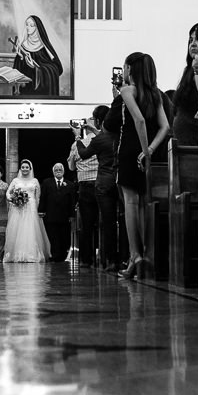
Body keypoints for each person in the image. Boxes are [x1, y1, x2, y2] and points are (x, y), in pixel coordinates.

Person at [115, 53, 171, 280]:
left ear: (130, 68)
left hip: (130, 150)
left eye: (124, 66)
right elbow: (165, 126)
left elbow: (137, 120)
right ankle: (142, 258)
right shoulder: (155, 93)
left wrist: (142, 147)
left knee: (130, 203)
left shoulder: (127, 91)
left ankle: (135, 255)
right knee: (141, 205)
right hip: (143, 152)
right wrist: (149, 151)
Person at [76, 105, 119, 271]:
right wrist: (95, 129)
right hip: (118, 181)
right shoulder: (118, 136)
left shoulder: (99, 140)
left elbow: (84, 154)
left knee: (107, 223)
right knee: (119, 222)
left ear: (100, 120)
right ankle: (120, 258)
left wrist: (78, 138)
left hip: (103, 185)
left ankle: (110, 261)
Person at [3, 160, 50, 263]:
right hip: (18, 208)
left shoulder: (35, 181)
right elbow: (8, 193)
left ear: (30, 169)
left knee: (30, 230)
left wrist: (37, 209)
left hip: (31, 208)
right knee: (17, 230)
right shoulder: (15, 181)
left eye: (26, 167)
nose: (25, 169)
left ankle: (31, 255)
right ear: (20, 169)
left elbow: (38, 197)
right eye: (23, 167)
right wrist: (12, 199)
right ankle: (17, 254)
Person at [67, 119, 99, 266]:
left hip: (85, 186)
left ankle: (86, 260)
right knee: (104, 222)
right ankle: (105, 258)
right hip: (100, 184)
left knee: (86, 225)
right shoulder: (101, 140)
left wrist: (77, 137)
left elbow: (72, 167)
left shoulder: (76, 144)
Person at [11, 15, 64, 96]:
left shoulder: (44, 47)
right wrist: (20, 58)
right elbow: (17, 69)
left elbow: (56, 69)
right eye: (27, 25)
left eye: (32, 25)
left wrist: (36, 69)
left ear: (38, 28)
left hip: (41, 91)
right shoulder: (23, 46)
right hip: (25, 88)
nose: (28, 27)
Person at [40, 162, 76, 263]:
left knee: (64, 237)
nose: (58, 171)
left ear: (63, 171)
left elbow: (72, 201)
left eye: (60, 170)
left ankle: (63, 255)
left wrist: (72, 215)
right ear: (53, 172)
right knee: (53, 236)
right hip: (50, 215)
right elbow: (43, 198)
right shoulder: (47, 183)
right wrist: (41, 210)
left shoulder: (70, 184)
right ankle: (55, 255)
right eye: (56, 170)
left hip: (65, 216)